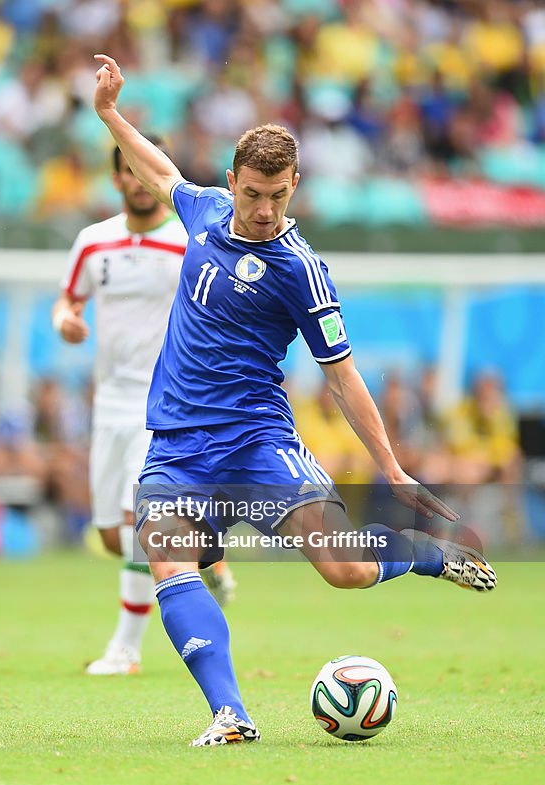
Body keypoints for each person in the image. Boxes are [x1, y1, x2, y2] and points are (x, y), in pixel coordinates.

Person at [92, 54, 496, 747]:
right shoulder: (207, 211)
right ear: (231, 182)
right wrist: (108, 114)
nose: (263, 209)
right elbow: (161, 173)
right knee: (165, 554)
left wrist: (393, 468)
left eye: (277, 195)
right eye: (253, 193)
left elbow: (342, 376)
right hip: (177, 445)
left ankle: (428, 553)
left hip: (255, 439)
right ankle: (229, 713)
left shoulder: (302, 271)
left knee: (343, 567)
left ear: (294, 186)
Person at [52, 141, 235, 677]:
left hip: (166, 403)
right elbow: (68, 299)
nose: (138, 182)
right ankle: (204, 554)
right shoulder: (93, 242)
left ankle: (125, 650)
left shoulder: (190, 242)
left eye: (145, 173)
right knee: (111, 534)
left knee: (139, 524)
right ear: (116, 180)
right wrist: (66, 320)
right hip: (108, 401)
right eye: (128, 172)